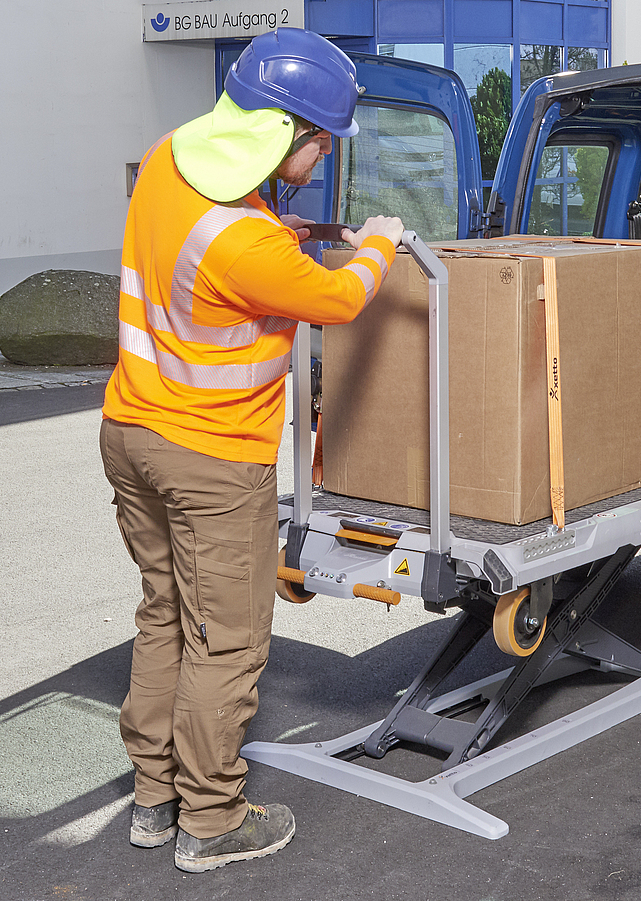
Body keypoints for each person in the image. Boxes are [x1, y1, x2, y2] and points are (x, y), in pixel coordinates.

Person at [98, 28, 404, 873]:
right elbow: (341, 297)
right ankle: (212, 819)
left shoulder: (166, 162)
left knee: (167, 613)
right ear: (285, 134)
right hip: (209, 457)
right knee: (225, 640)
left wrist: (291, 223)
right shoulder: (251, 246)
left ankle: (155, 801)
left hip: (130, 433)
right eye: (320, 144)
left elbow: (218, 235)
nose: (322, 156)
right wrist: (376, 238)